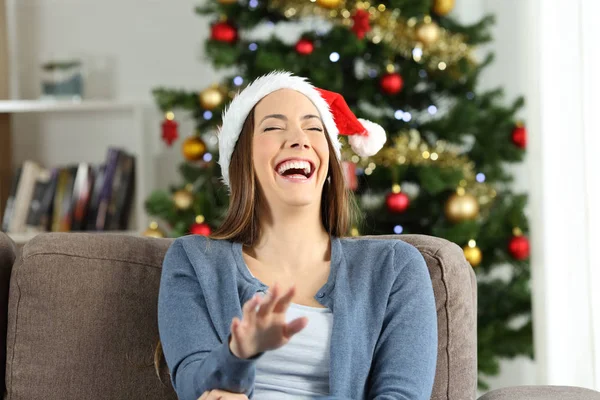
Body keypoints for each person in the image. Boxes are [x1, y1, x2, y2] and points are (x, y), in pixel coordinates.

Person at [157, 71, 438, 400]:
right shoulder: (193, 260)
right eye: (273, 127)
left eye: (314, 127)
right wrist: (238, 352)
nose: (299, 139)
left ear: (329, 160)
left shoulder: (395, 268)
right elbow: (193, 388)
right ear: (240, 158)